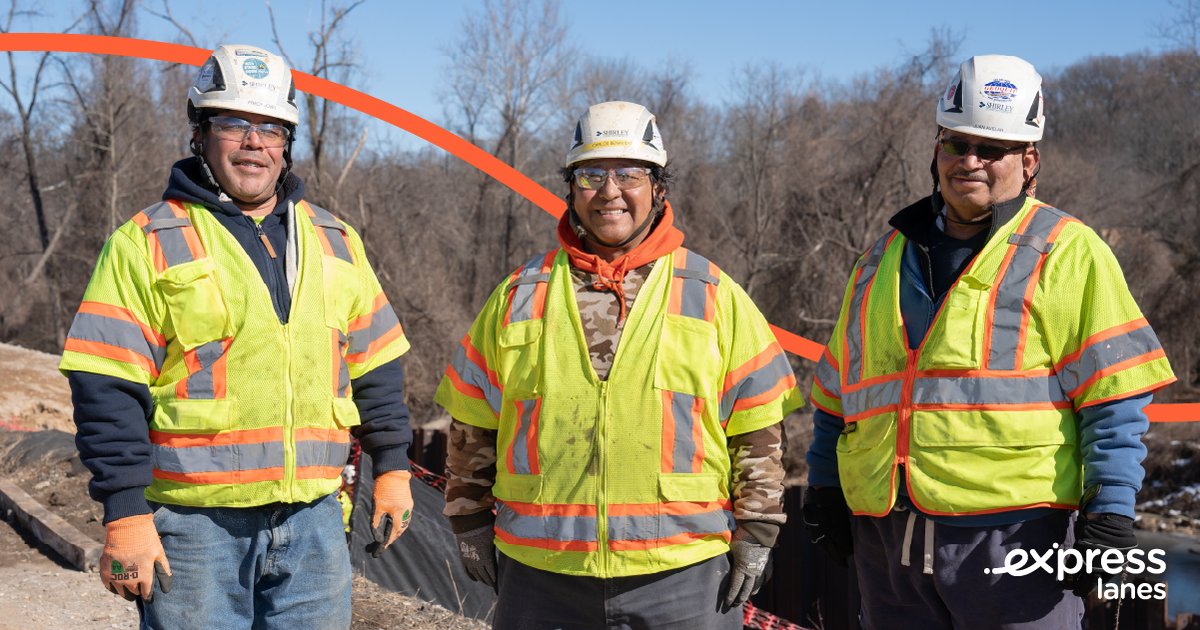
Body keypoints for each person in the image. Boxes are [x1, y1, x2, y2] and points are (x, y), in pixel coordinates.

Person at [802, 55, 1177, 629]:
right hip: (888, 542)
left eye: (992, 148)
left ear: (1029, 160)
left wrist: (1110, 515)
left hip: (1016, 543)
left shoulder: (1066, 251)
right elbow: (837, 396)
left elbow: (1113, 401)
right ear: (937, 149)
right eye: (957, 143)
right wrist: (825, 484)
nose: (970, 161)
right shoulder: (879, 260)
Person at [59, 44, 415, 629]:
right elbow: (106, 386)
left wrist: (394, 470)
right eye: (233, 123)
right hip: (195, 530)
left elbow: (376, 367)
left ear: (287, 142)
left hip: (315, 523)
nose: (254, 142)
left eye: (270, 127)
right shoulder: (145, 242)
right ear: (200, 133)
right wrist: (125, 513)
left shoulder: (336, 240)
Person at [435, 101, 803, 629]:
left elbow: (759, 423)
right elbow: (472, 419)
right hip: (542, 575)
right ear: (571, 189)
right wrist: (468, 518)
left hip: (684, 576)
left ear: (658, 187)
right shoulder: (518, 296)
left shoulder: (713, 294)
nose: (610, 191)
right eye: (591, 175)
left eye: (629, 173)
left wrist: (758, 531)